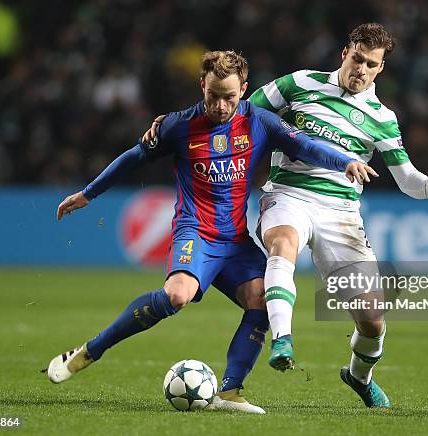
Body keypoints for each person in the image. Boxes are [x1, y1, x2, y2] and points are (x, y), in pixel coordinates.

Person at [143, 24, 428, 409]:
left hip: (341, 212)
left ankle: (359, 377)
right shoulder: (299, 83)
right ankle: (282, 339)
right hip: (287, 194)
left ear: (380, 69)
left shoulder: (382, 118)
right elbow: (238, 110)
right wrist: (177, 121)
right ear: (345, 53)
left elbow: (407, 179)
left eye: (370, 64)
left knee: (373, 320)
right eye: (357, 58)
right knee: (283, 243)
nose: (361, 68)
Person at [47, 50, 372, 414]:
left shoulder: (259, 122)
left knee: (265, 301)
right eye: (213, 95)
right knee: (177, 296)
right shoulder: (177, 126)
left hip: (235, 239)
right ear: (202, 85)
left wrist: (346, 161)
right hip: (196, 233)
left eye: (229, 97)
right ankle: (91, 350)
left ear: (244, 90)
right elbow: (133, 157)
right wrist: (88, 193)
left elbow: (305, 145)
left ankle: (230, 392)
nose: (220, 105)